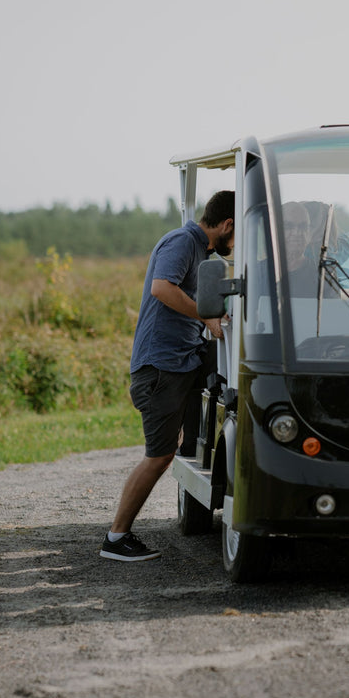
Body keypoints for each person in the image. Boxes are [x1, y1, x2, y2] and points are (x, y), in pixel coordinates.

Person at [102, 190, 234, 562]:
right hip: (160, 369)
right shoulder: (182, 242)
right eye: (238, 232)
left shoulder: (198, 250)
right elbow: (162, 289)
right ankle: (116, 538)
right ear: (227, 225)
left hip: (182, 361)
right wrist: (205, 315)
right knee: (158, 457)